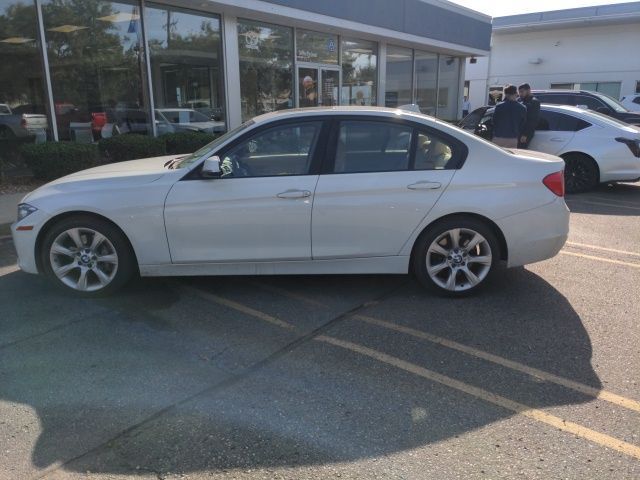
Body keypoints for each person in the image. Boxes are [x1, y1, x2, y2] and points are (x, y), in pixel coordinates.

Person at [492, 84, 526, 149]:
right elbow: (522, 124)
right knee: (510, 157)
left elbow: (494, 121)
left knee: (496, 157)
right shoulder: (522, 108)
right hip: (513, 138)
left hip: (498, 137)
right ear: (516, 93)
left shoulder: (499, 106)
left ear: (506, 95)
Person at [518, 83, 540, 149]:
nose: (520, 94)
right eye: (519, 92)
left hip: (525, 133)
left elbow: (533, 120)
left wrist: (525, 134)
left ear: (528, 90)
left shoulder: (534, 102)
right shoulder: (520, 100)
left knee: (521, 152)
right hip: (518, 132)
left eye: (522, 92)